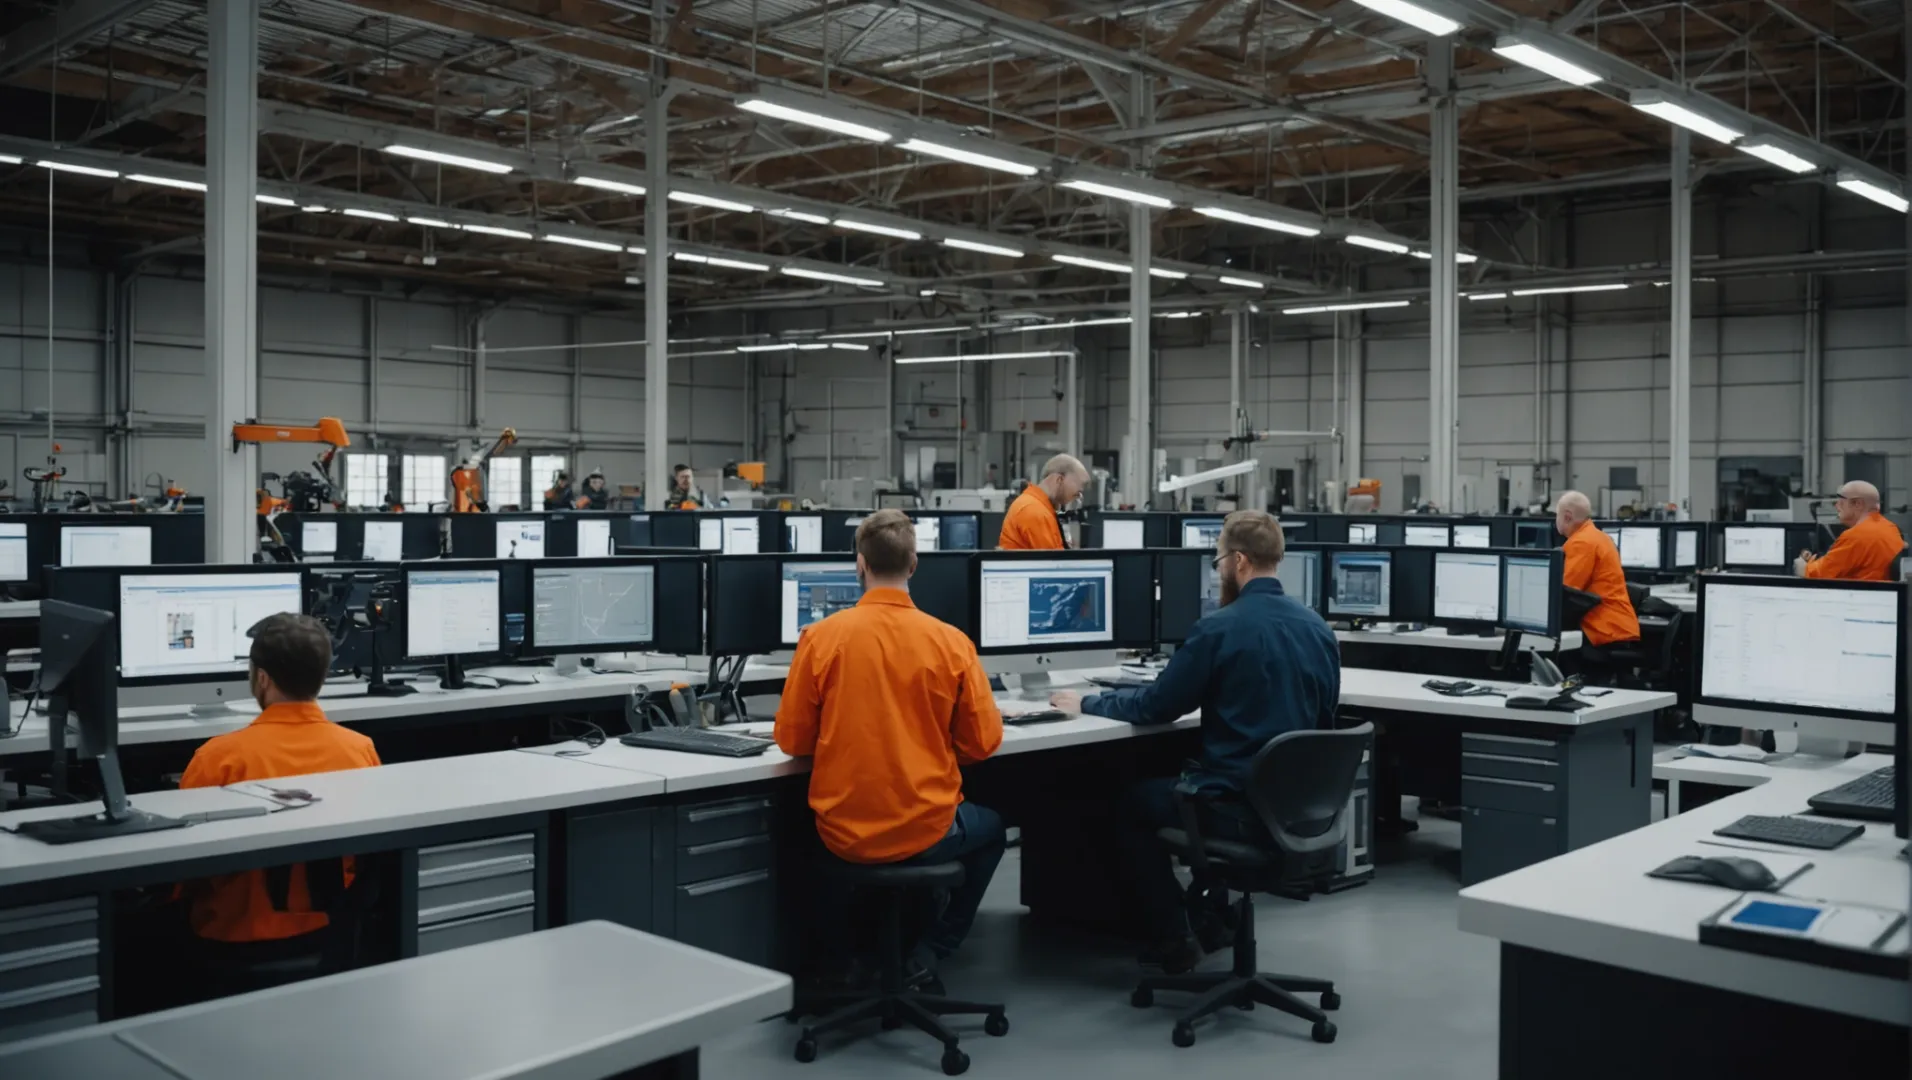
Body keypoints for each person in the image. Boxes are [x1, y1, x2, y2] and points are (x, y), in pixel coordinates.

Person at [1050, 510, 1339, 973]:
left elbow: (1156, 707)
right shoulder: (1320, 629)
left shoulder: (1219, 628)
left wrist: (1088, 703)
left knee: (1129, 805)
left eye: (1220, 559)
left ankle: (1174, 937)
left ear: (1240, 561)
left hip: (1235, 808)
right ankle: (1213, 919)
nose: (1218, 569)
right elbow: (1323, 720)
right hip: (1296, 809)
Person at [775, 509, 1004, 984]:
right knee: (995, 829)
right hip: (927, 829)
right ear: (914, 565)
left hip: (843, 834)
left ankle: (845, 957)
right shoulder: (952, 643)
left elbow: (792, 741)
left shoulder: (819, 639)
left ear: (860, 565)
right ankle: (931, 951)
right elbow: (982, 744)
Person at [179, 614, 381, 945]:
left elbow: (184, 870)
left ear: (262, 678)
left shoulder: (217, 758)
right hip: (332, 932)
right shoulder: (360, 750)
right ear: (322, 675)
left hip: (235, 935)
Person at [1555, 491, 1640, 666]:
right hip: (1615, 624)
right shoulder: (1599, 536)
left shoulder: (1581, 542)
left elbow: (1565, 591)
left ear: (1567, 517)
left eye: (1557, 514)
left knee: (1547, 647)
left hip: (1602, 628)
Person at [1797, 481, 1905, 580]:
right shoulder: (1890, 528)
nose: (1836, 505)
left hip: (1859, 596)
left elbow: (1814, 574)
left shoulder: (1856, 536)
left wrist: (1801, 565)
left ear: (1858, 504)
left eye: (1841, 501)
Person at [997, 453, 1087, 550]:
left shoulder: (1038, 506)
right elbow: (1055, 562)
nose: (1080, 493)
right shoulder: (1035, 511)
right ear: (1059, 480)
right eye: (1080, 484)